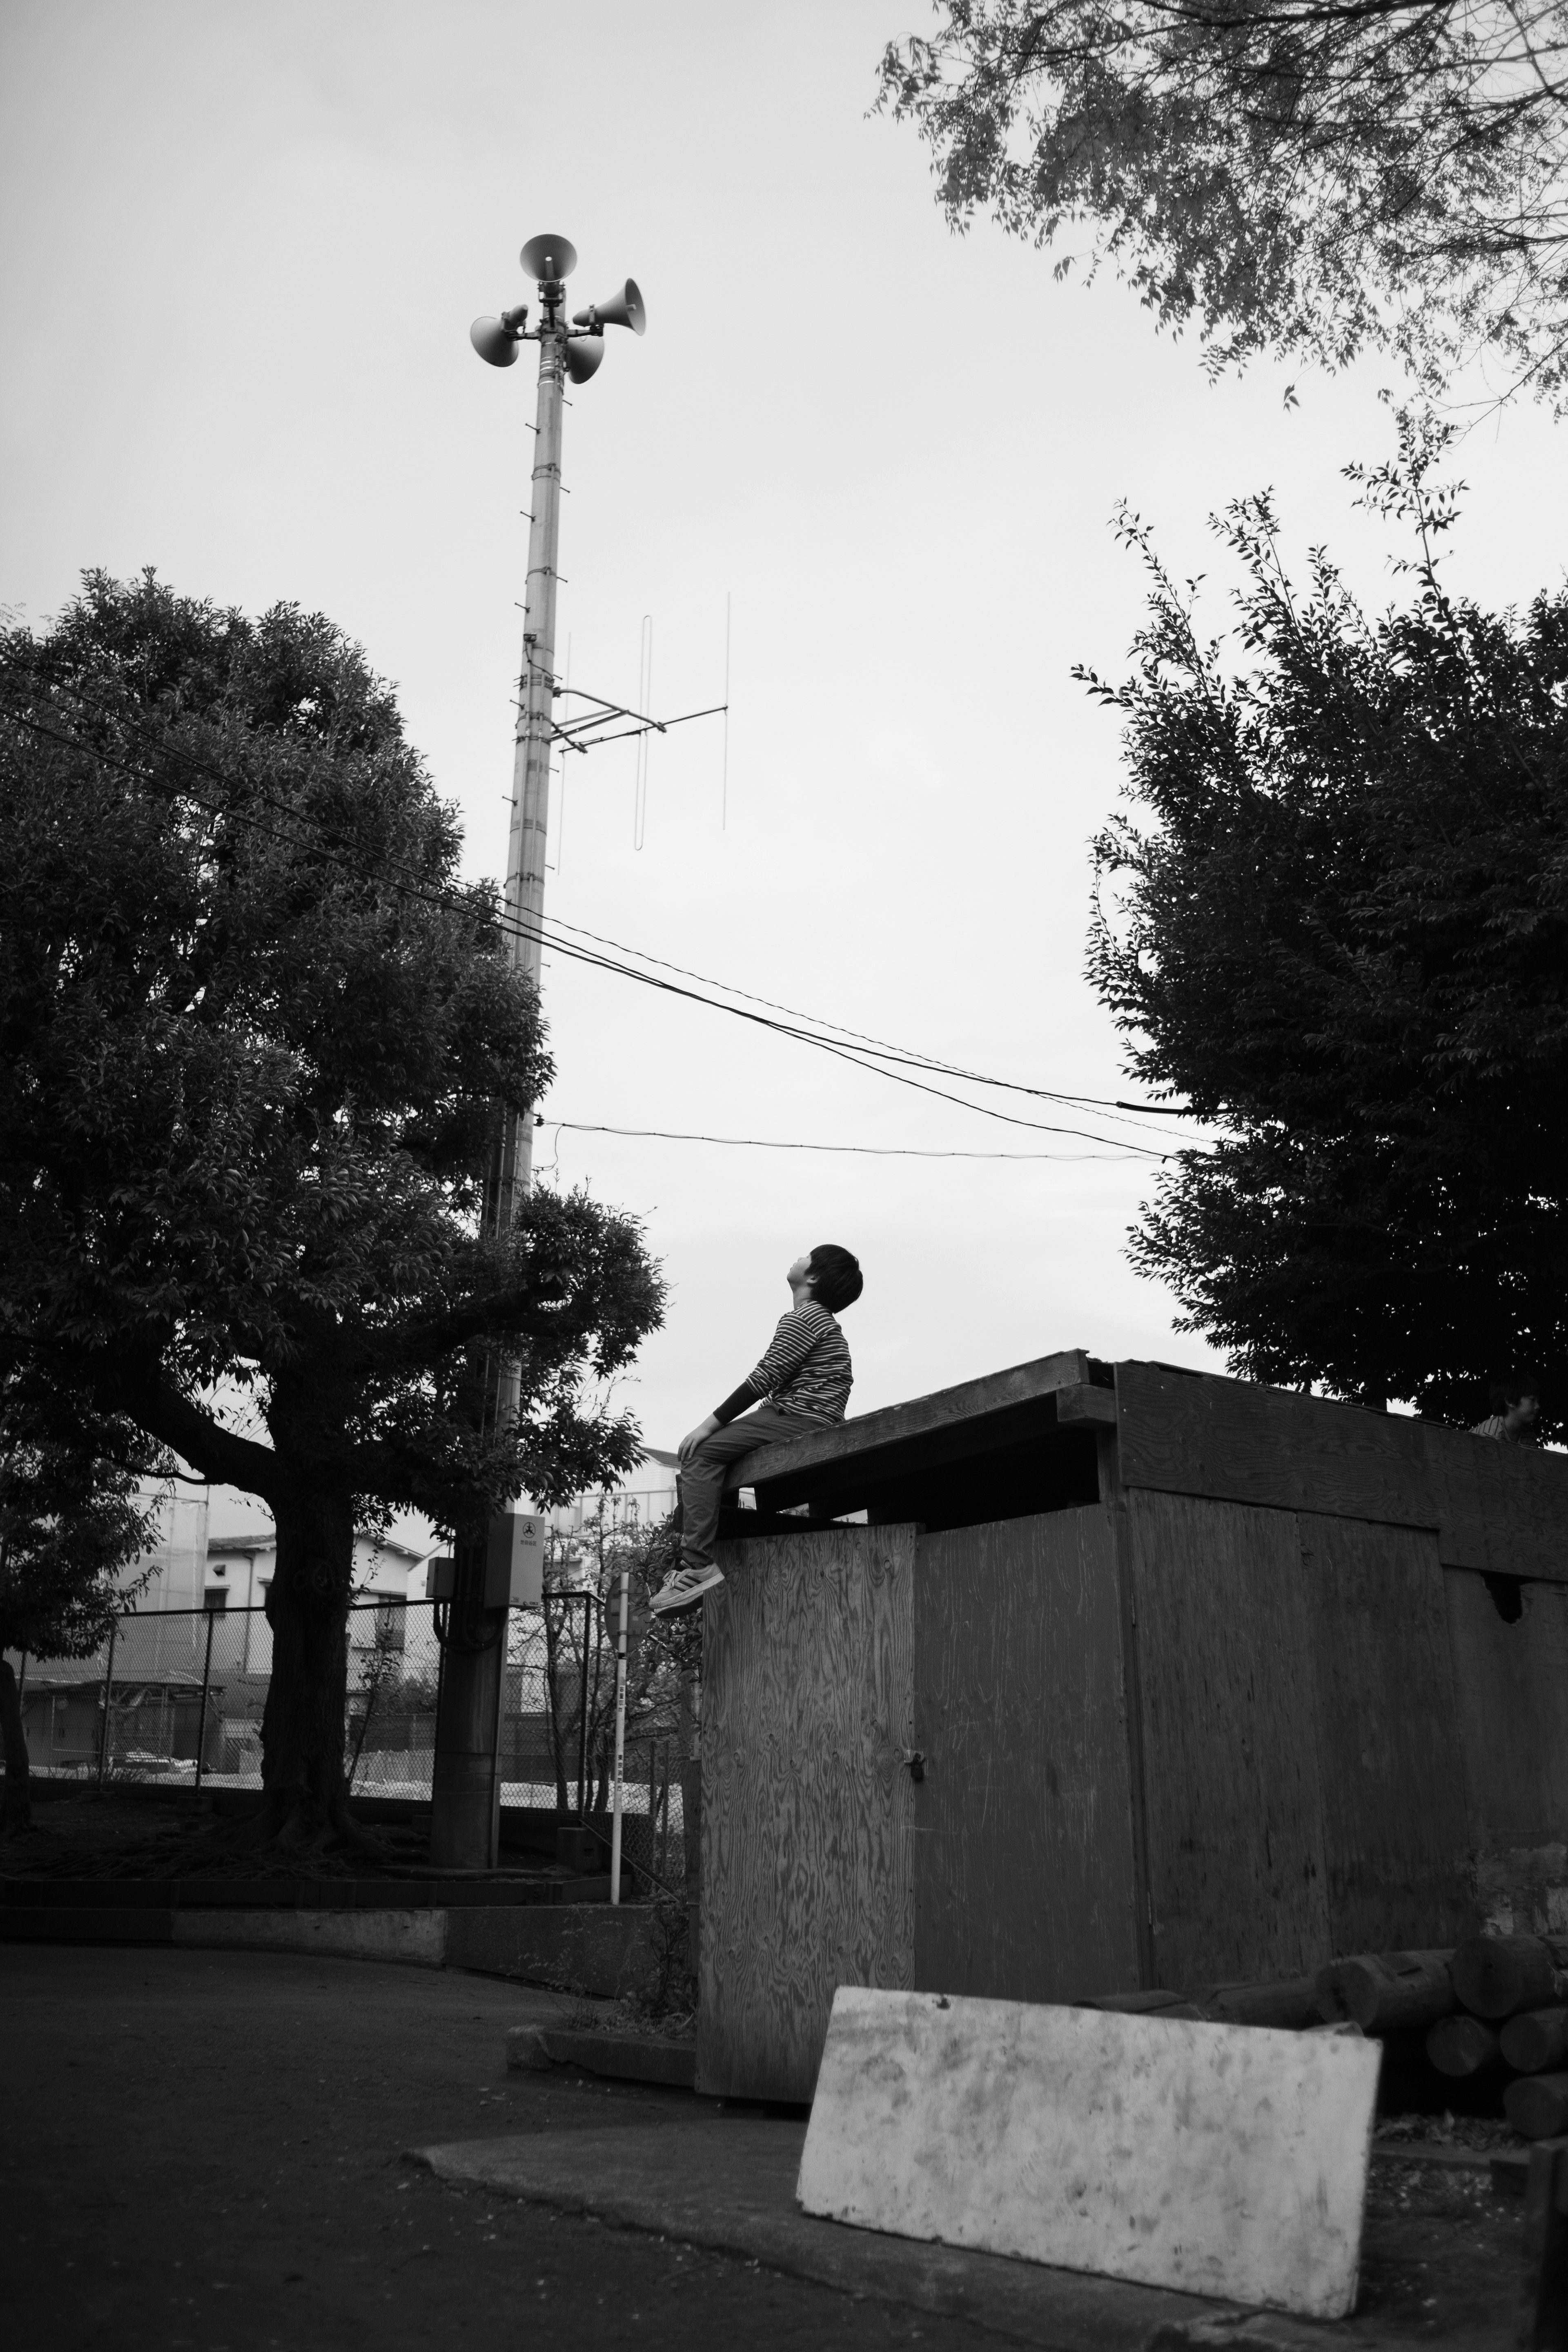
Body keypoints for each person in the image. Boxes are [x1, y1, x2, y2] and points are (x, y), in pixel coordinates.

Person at [649, 1243, 864, 1616]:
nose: (798, 1257)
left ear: (812, 1276)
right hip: (806, 1413)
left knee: (699, 1452)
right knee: (717, 1458)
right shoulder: (820, 1321)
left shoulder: (805, 1318)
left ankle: (697, 1565)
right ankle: (696, 1561)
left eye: (807, 1255)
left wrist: (707, 1425)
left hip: (798, 1415)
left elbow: (764, 1377)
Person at [1470, 1371, 1543, 1442]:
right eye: (1532, 1400)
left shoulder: (1529, 1436)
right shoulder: (1491, 1433)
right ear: (1510, 1401)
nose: (1537, 1406)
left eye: (1538, 1401)